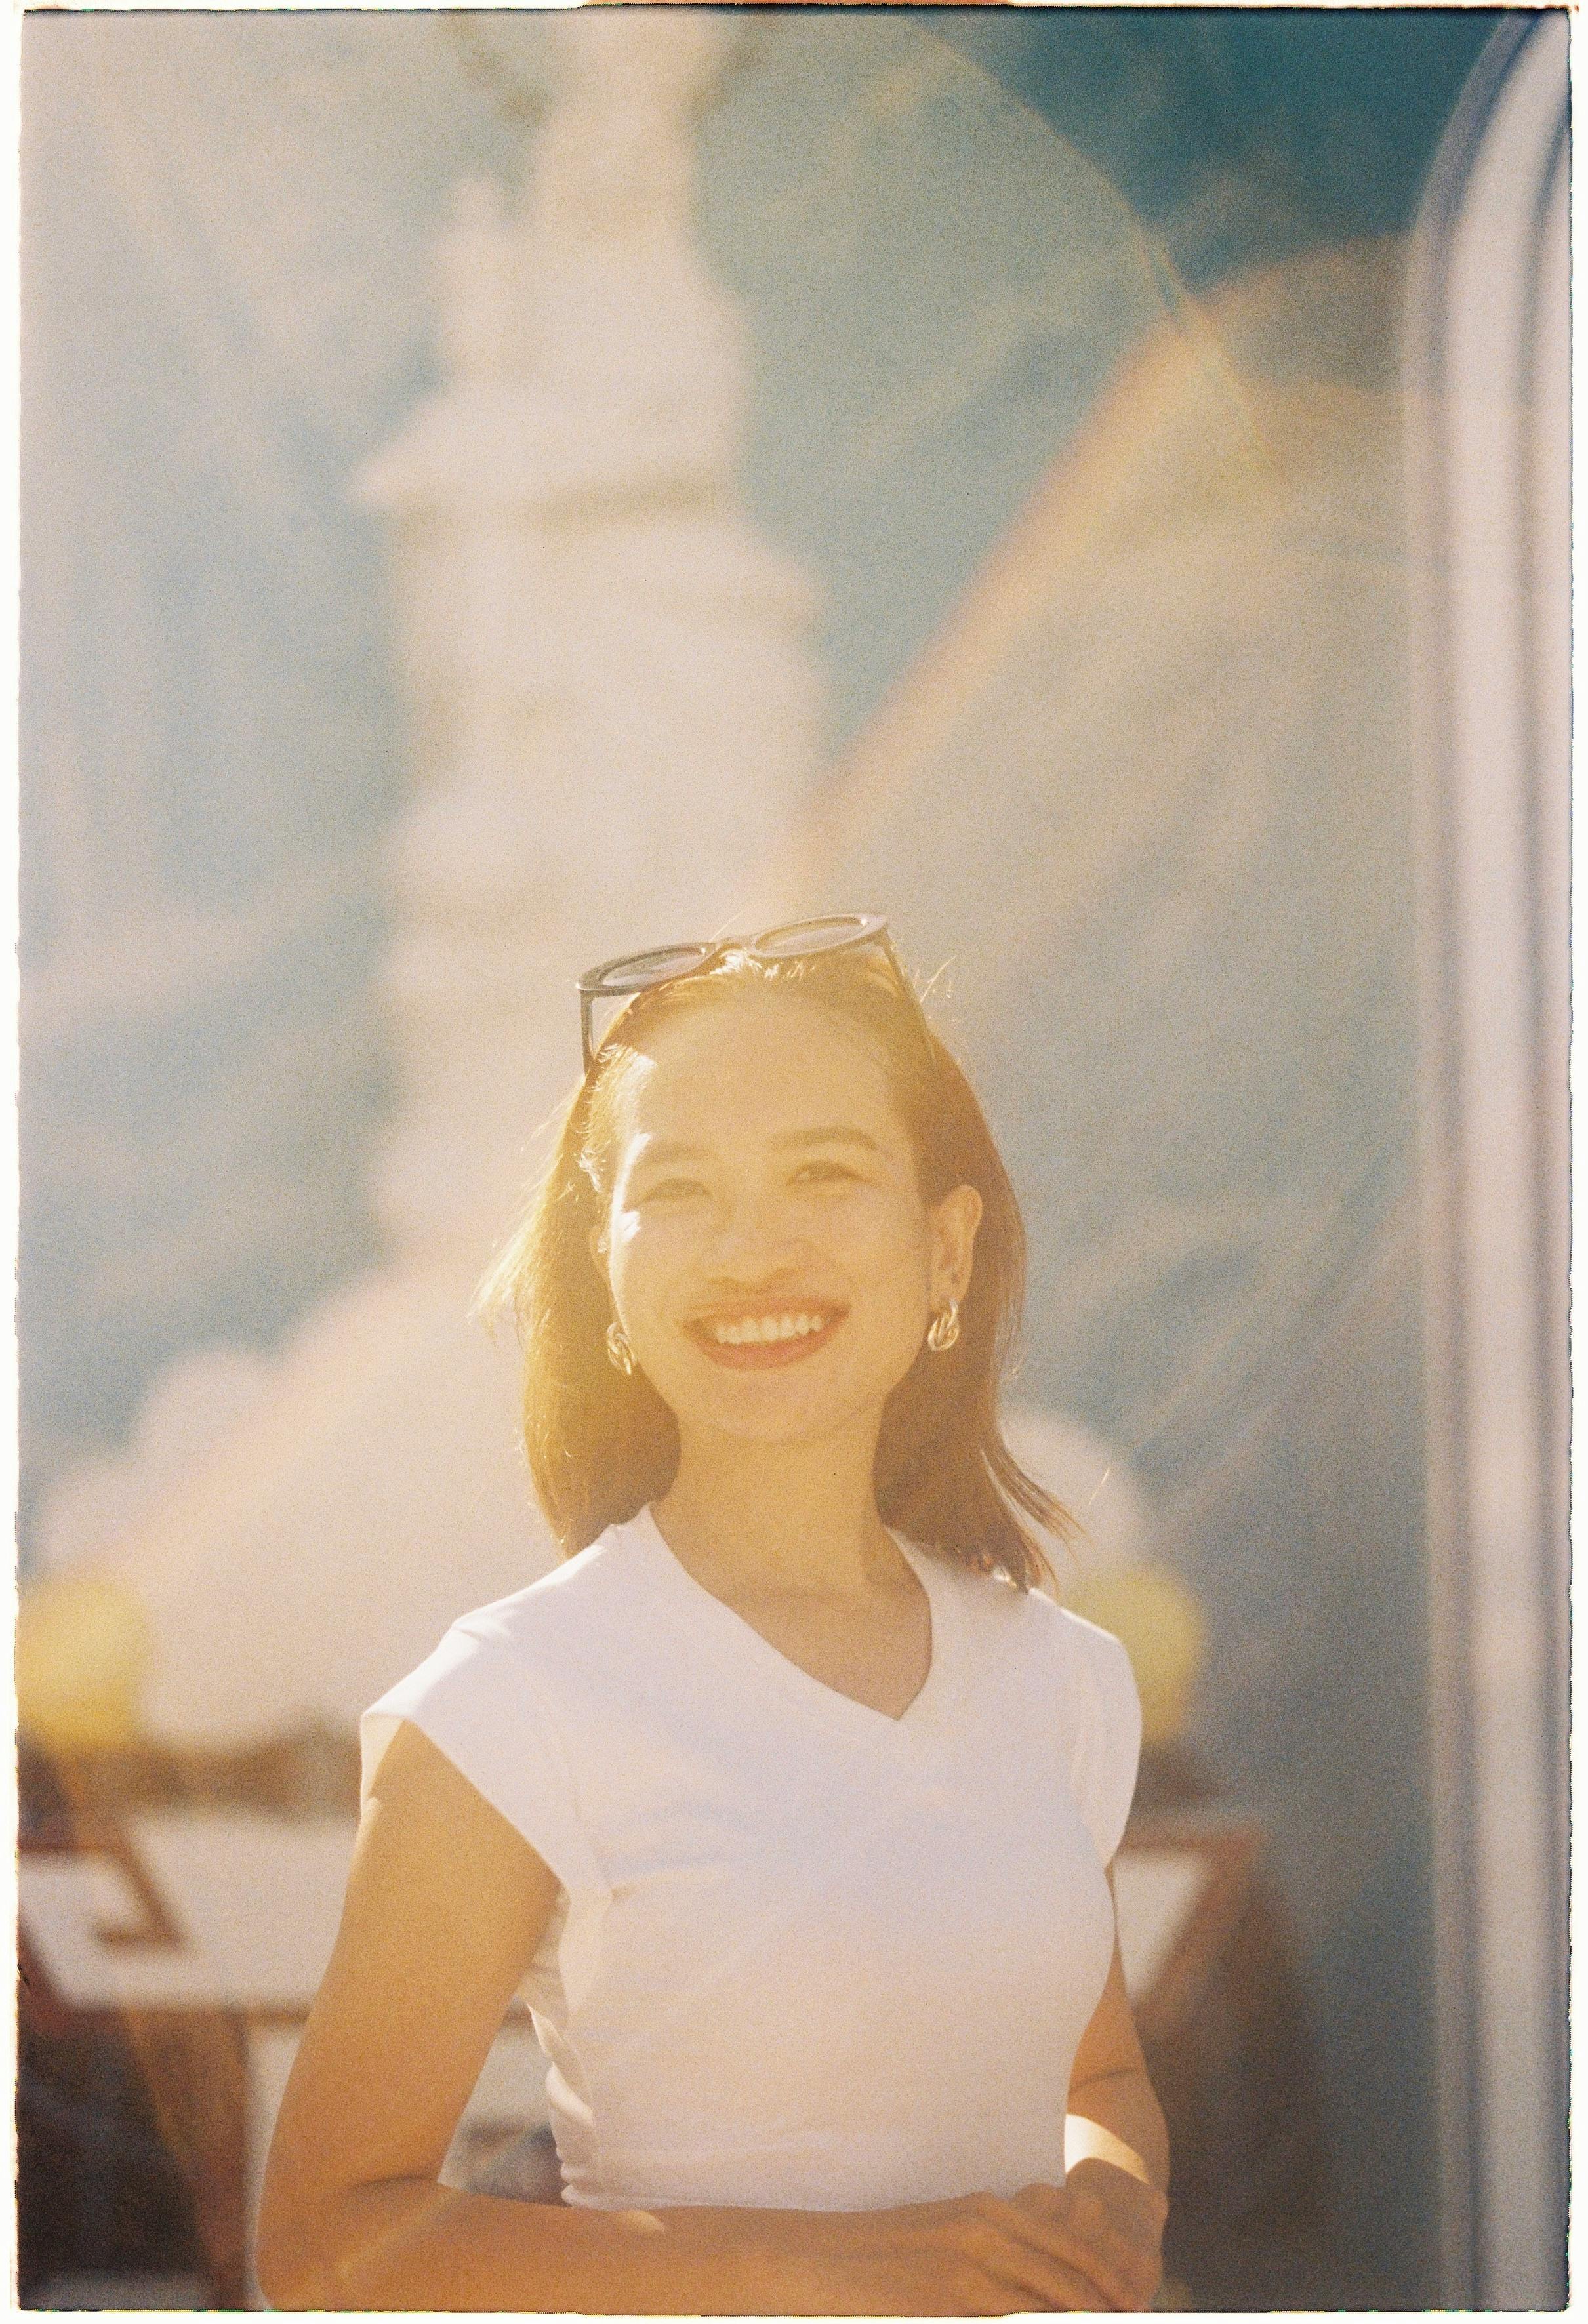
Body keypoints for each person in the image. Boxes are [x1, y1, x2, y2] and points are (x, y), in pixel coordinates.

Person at [256, 914, 1169, 2314]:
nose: (752, 1246)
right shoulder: (516, 1700)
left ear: (944, 1249)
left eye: (822, 1171)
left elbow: (1093, 2075)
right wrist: (814, 2263)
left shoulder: (1056, 1675)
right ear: (609, 1273)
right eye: (677, 1189)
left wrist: (1105, 2197)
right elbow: (324, 2242)